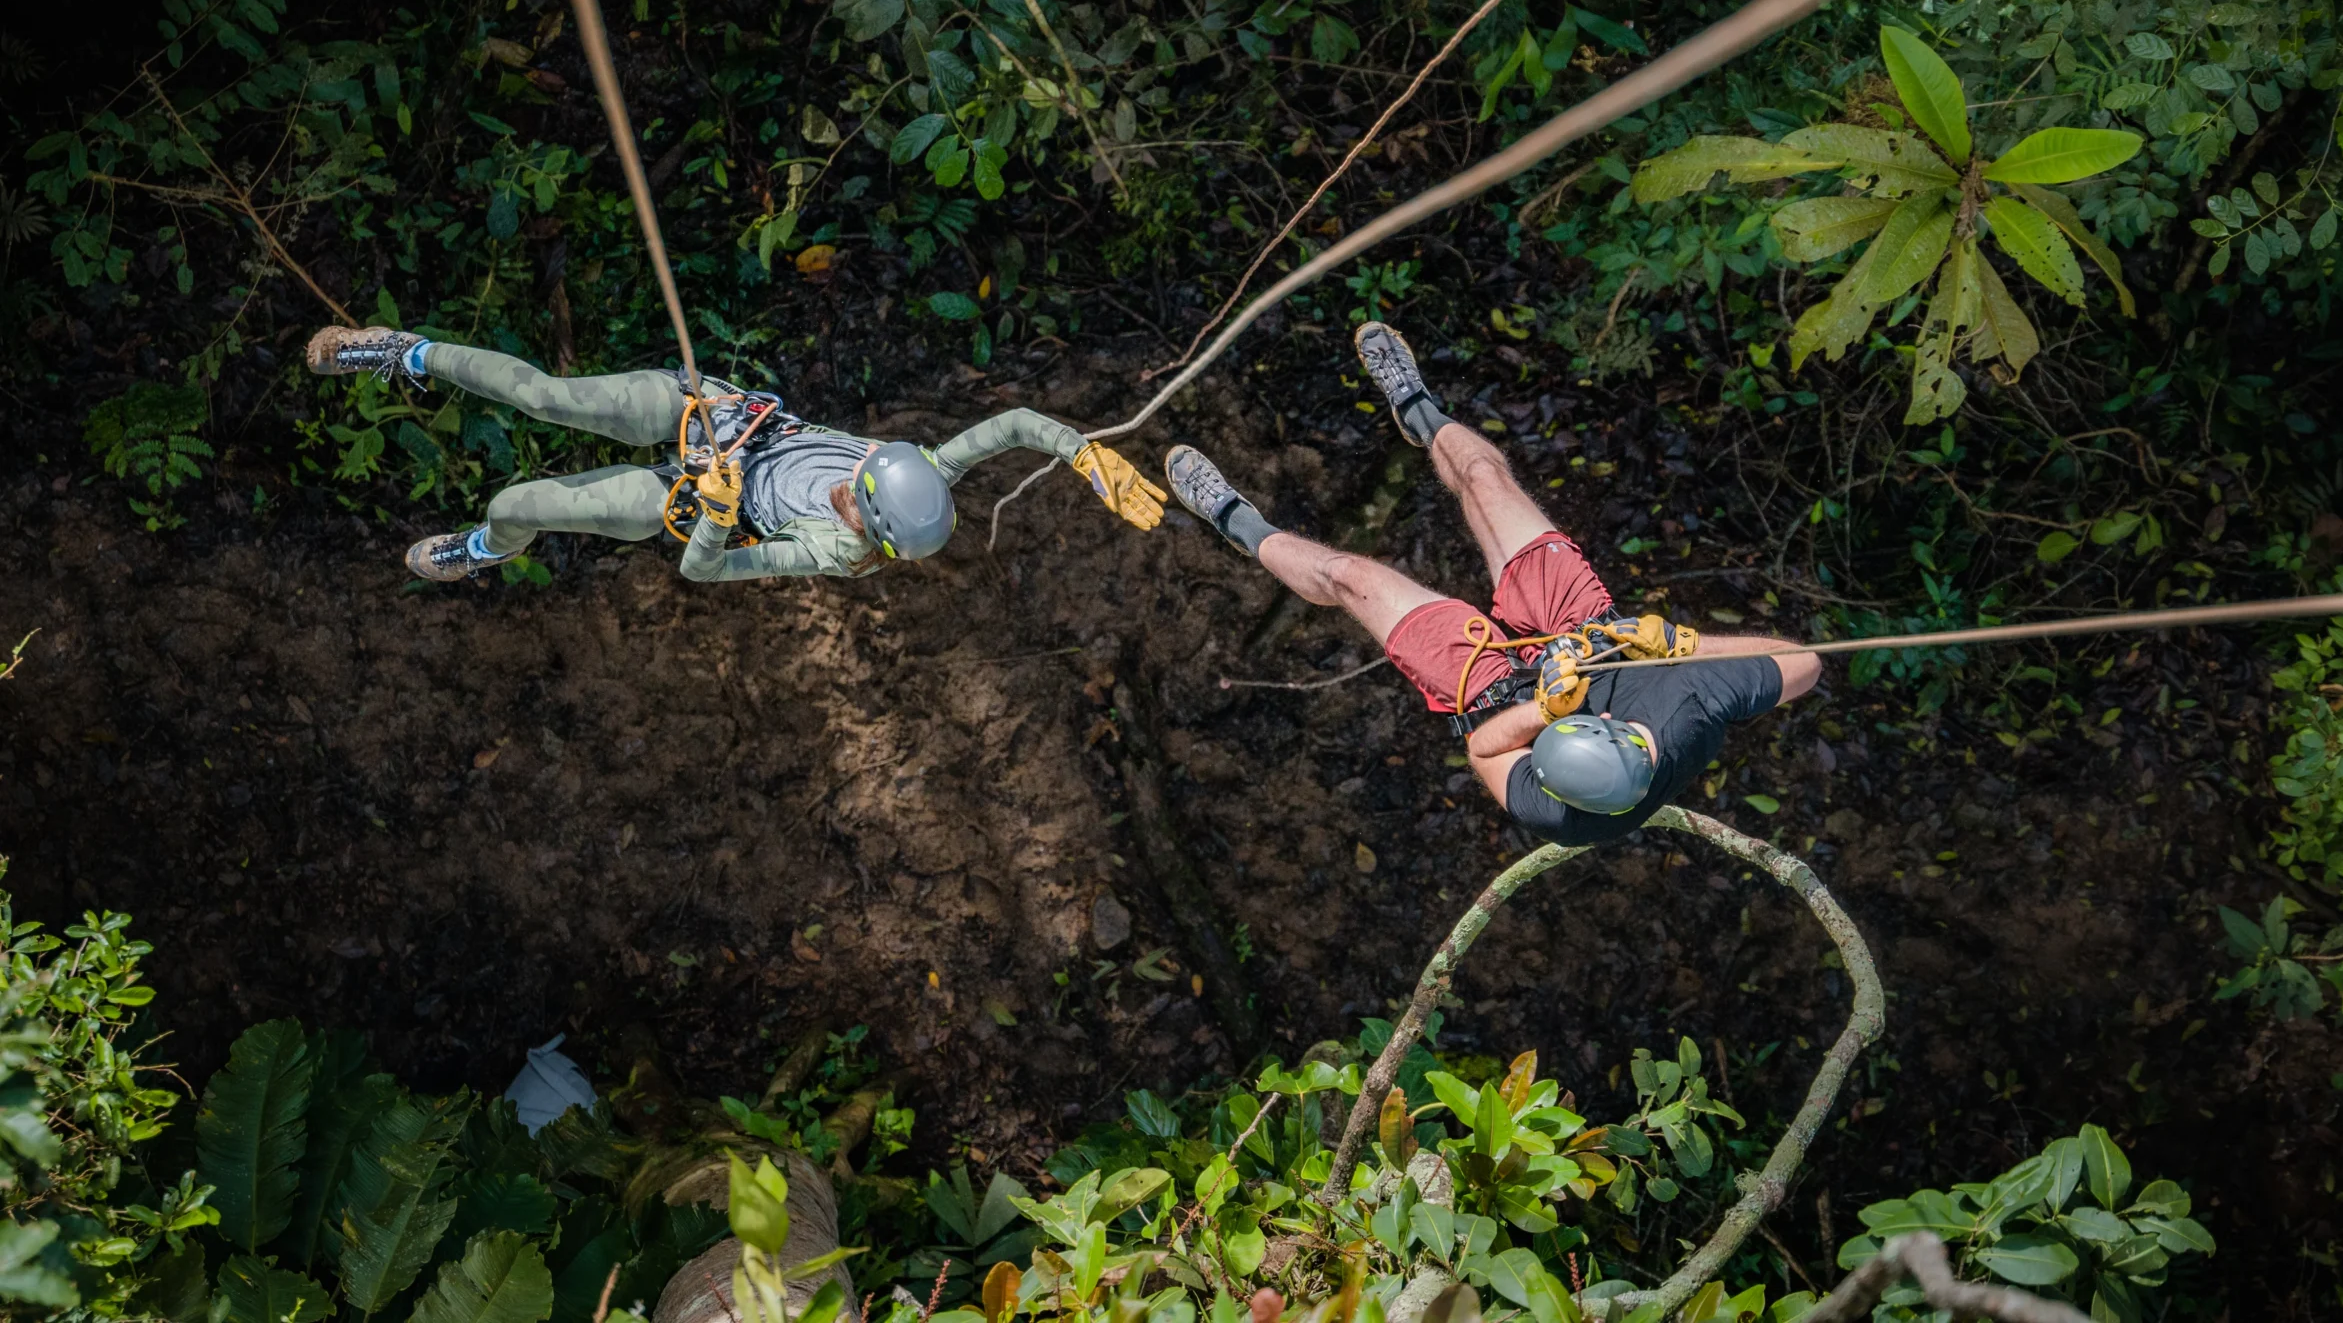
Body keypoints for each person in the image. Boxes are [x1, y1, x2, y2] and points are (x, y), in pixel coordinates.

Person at [1162, 323, 1819, 845]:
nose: (1616, 715)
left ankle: (1239, 524)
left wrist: (1546, 712)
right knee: (1485, 480)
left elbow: (1484, 747)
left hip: (1495, 695)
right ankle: (1420, 413)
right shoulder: (1691, 713)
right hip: (1594, 637)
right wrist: (1678, 643)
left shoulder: (1562, 816)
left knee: (1350, 576)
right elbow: (1804, 665)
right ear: (1633, 738)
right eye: (1620, 724)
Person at [304, 327, 1166, 582]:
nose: (845, 497)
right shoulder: (923, 470)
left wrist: (717, 516)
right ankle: (406, 352)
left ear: (874, 534)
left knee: (520, 505)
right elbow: (1014, 421)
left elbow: (703, 575)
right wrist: (1085, 457)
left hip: (691, 505)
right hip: (713, 419)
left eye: (856, 507)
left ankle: (486, 548)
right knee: (547, 396)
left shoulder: (836, 552)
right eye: (859, 483)